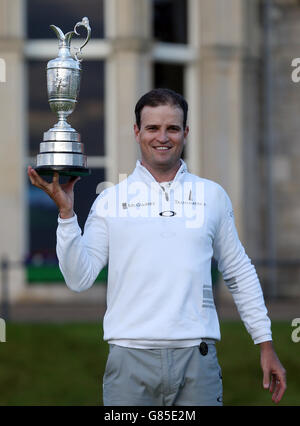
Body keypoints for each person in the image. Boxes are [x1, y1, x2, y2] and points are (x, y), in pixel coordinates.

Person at [28, 88, 286, 406]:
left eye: (172, 128)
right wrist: (67, 215)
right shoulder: (111, 200)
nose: (162, 137)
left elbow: (239, 271)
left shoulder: (212, 196)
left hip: (197, 362)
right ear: (137, 132)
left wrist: (265, 343)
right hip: (128, 363)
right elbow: (78, 279)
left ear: (185, 133)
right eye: (152, 128)